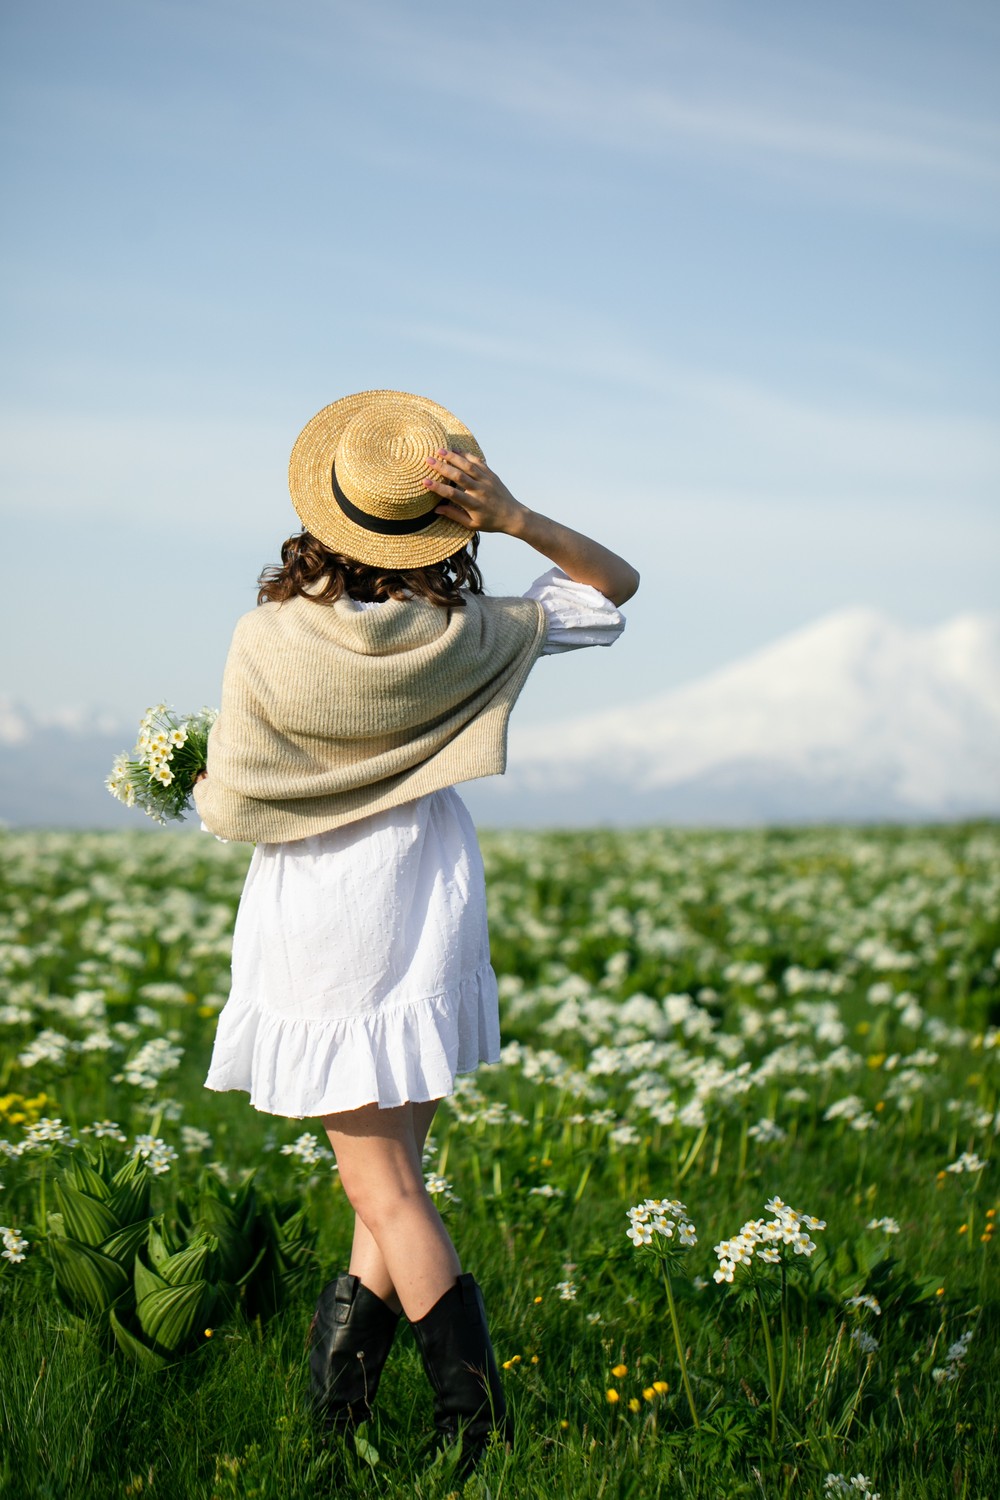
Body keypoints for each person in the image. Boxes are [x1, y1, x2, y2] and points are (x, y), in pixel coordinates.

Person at [193, 389, 639, 1472]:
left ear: (324, 515)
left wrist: (196, 781)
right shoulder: (473, 633)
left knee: (380, 1186)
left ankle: (472, 1424)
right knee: (392, 1181)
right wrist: (516, 517)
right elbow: (610, 590)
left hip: (324, 910)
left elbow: (227, 801)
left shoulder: (269, 640)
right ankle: (337, 1419)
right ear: (439, 527)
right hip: (428, 896)